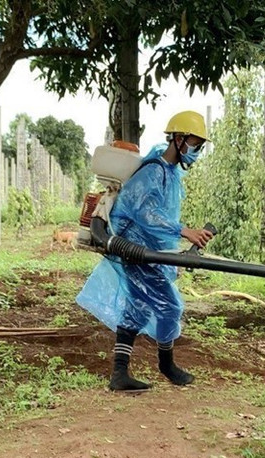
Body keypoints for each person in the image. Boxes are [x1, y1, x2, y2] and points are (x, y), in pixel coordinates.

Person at [77, 111, 214, 391]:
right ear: (177, 138)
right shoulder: (154, 170)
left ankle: (120, 374)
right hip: (135, 250)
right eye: (193, 143)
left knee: (137, 307)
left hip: (147, 250)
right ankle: (166, 365)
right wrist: (184, 231)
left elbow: (159, 215)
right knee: (170, 306)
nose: (195, 151)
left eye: (199, 145)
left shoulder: (170, 173)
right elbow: (146, 213)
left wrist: (172, 251)